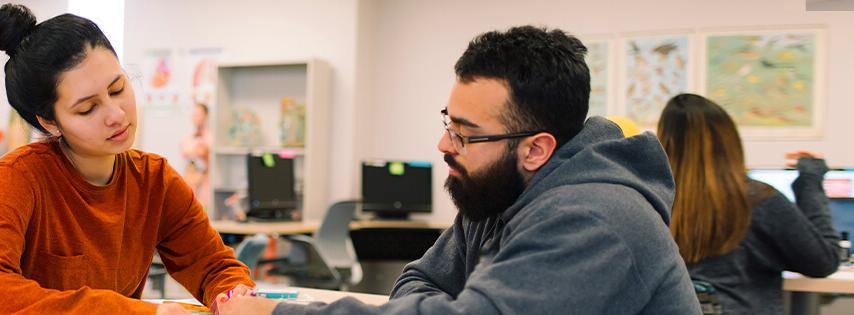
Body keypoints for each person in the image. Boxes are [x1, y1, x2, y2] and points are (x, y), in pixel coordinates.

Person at [220, 25, 700, 315]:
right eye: (449, 123)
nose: (444, 145)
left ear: (535, 149)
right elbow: (418, 283)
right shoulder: (497, 190)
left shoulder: (598, 219)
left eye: (466, 134)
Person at [0, 4, 254, 314]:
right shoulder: (18, 178)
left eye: (118, 88)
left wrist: (232, 296)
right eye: (87, 109)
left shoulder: (154, 180)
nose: (116, 114)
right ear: (50, 122)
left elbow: (213, 265)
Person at [656, 93, 842, 314]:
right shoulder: (756, 200)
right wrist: (810, 180)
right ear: (730, 143)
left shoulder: (651, 200)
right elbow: (824, 260)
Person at [180, 103, 211, 209]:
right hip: (190, 178)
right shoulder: (188, 138)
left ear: (206, 116)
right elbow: (185, 150)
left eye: (199, 114)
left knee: (203, 208)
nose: (195, 117)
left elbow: (203, 152)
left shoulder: (210, 137)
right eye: (194, 114)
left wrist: (199, 151)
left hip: (204, 179)